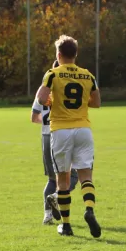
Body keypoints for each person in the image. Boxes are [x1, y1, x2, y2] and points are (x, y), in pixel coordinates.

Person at [35, 35, 101, 237]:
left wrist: (53, 103)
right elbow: (96, 102)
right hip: (83, 130)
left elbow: (41, 98)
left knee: (62, 180)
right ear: (76, 54)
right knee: (86, 177)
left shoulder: (52, 74)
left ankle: (66, 225)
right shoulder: (88, 75)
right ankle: (89, 210)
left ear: (58, 55)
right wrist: (81, 104)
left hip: (61, 130)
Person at [31, 60, 78, 225]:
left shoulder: (42, 90)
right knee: (73, 175)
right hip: (63, 134)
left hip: (46, 136)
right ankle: (57, 197)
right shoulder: (66, 88)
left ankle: (47, 215)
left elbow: (33, 117)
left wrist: (47, 123)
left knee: (52, 179)